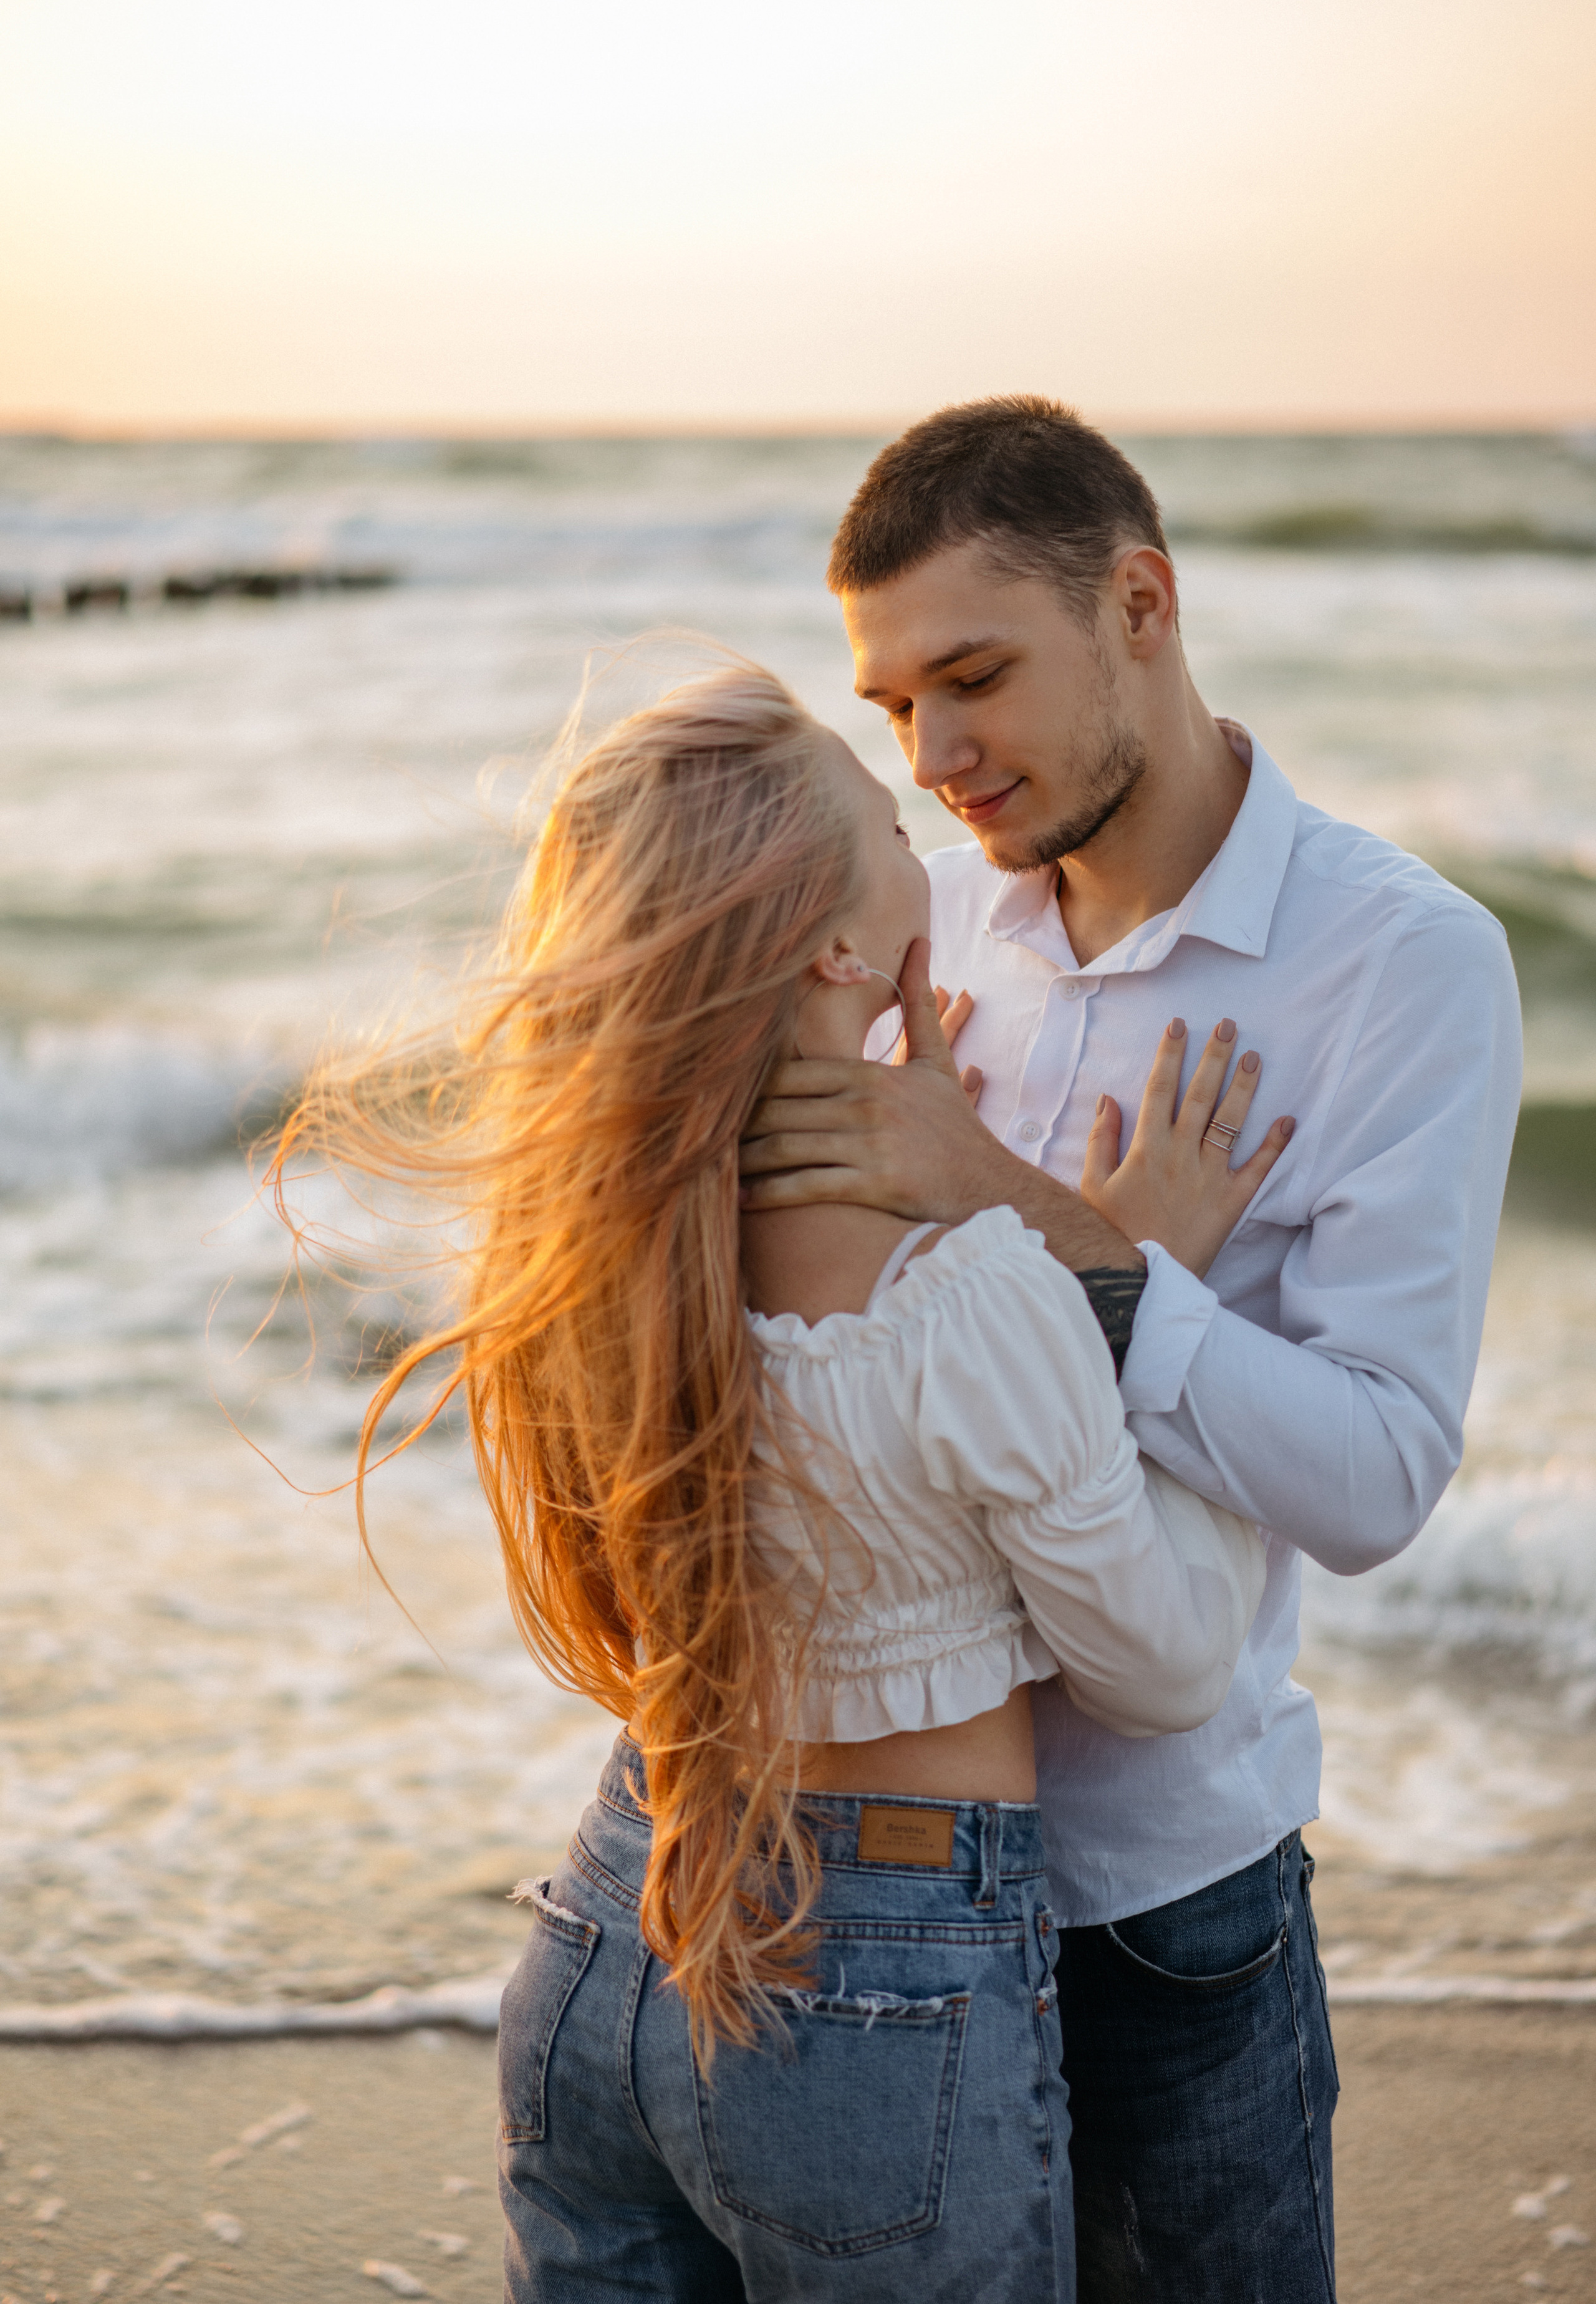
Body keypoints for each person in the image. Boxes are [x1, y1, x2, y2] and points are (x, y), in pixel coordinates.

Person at [277, 658, 1290, 2302]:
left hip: (613, 1927)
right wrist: (1134, 1270)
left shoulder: (596, 1256)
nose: (930, 834)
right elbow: (1166, 1663)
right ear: (834, 945)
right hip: (870, 1990)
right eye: (889, 817)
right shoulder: (975, 1299)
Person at [740, 397, 1524, 2302]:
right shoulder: (927, 938)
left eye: (974, 678)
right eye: (894, 704)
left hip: (1164, 1907)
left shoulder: (1402, 964)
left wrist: (1039, 1219)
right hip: (869, 1877)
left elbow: (1374, 1480)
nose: (931, 757)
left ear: (1143, 604)